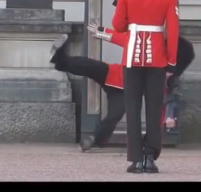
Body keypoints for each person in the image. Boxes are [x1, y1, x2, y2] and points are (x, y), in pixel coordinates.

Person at [50, 26, 193, 153]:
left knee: (115, 114)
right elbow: (124, 39)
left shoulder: (168, 81)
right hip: (112, 73)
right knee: (88, 65)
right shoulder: (149, 49)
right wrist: (101, 33)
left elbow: (168, 102)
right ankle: (60, 60)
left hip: (125, 92)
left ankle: (96, 140)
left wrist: (168, 119)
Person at [112, 0, 179, 174]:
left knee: (132, 108)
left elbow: (118, 26)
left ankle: (135, 159)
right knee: (154, 109)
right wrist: (171, 62)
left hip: (131, 58)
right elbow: (172, 32)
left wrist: (121, 1)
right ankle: (151, 157)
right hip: (158, 60)